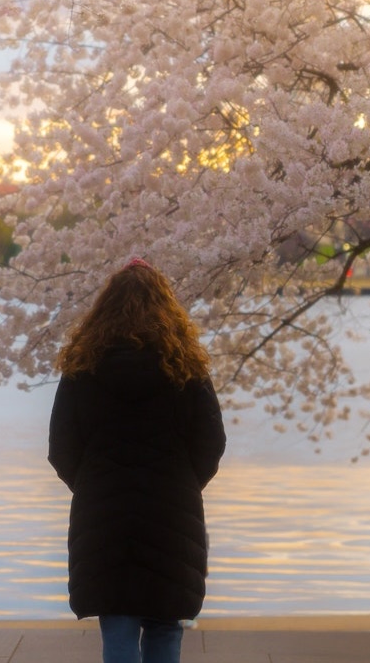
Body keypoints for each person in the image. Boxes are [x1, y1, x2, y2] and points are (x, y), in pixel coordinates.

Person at [48, 258, 227, 663]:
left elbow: (61, 448)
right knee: (165, 627)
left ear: (104, 309)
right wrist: (180, 482)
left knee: (118, 624)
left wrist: (95, 484)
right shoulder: (187, 367)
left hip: (102, 513)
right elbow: (211, 443)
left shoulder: (82, 366)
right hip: (172, 511)